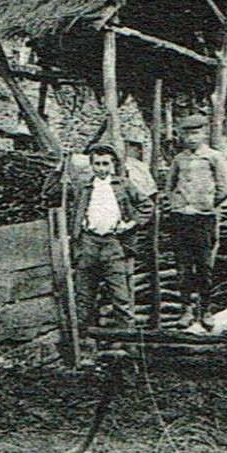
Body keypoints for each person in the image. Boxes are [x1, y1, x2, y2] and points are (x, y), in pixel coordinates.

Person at [63, 143, 153, 336]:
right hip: (88, 244)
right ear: (91, 165)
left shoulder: (123, 184)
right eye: (97, 164)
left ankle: (129, 347)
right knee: (84, 298)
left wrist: (131, 224)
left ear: (112, 165)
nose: (102, 168)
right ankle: (86, 346)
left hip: (113, 245)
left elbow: (147, 205)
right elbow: (54, 194)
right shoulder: (84, 187)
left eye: (105, 164)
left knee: (121, 298)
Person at [164, 113, 227, 331]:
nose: (191, 138)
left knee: (204, 266)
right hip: (181, 218)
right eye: (187, 133)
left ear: (204, 133)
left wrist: (207, 204)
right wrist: (177, 204)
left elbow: (224, 188)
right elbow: (169, 186)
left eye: (195, 133)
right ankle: (186, 310)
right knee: (183, 267)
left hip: (203, 219)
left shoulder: (213, 157)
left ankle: (206, 309)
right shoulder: (179, 159)